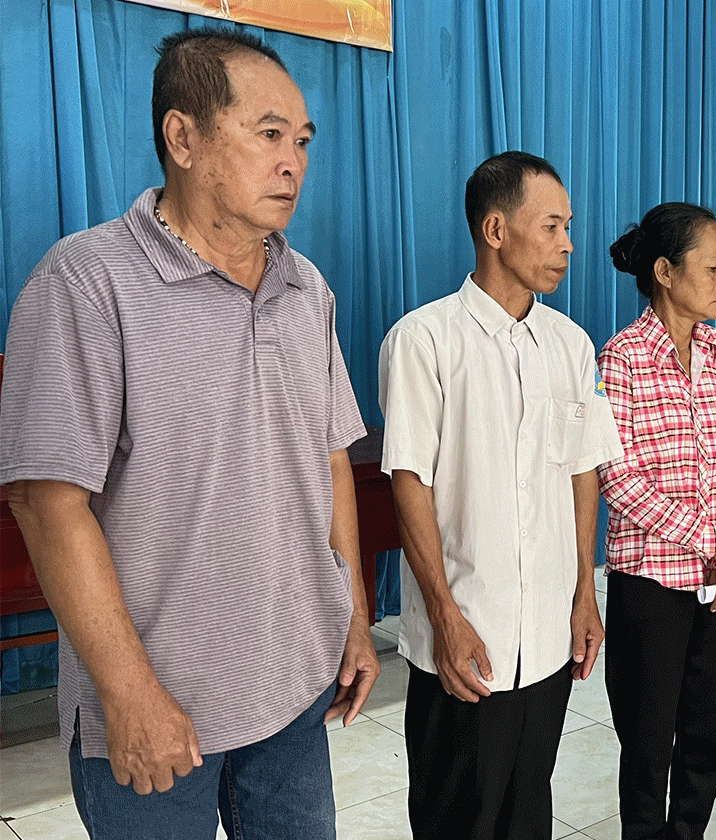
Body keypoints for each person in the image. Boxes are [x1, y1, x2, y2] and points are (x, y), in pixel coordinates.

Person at [0, 28, 378, 839]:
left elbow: (329, 459)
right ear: (183, 137)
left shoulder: (305, 288)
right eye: (269, 133)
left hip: (291, 691)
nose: (293, 162)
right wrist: (129, 692)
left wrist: (351, 616)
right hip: (158, 706)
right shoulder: (86, 283)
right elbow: (46, 502)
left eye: (302, 141)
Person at [378, 151, 624, 840]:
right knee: (457, 818)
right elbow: (409, 482)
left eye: (568, 227)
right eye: (551, 227)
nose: (568, 244)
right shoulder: (424, 341)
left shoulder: (571, 345)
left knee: (527, 812)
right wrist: (444, 614)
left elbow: (582, 471)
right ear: (495, 229)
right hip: (466, 636)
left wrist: (584, 592)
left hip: (545, 638)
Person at [596, 203, 716, 840]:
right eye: (712, 268)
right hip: (650, 585)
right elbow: (618, 479)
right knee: (646, 745)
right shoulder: (622, 358)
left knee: (707, 738)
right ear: (665, 272)